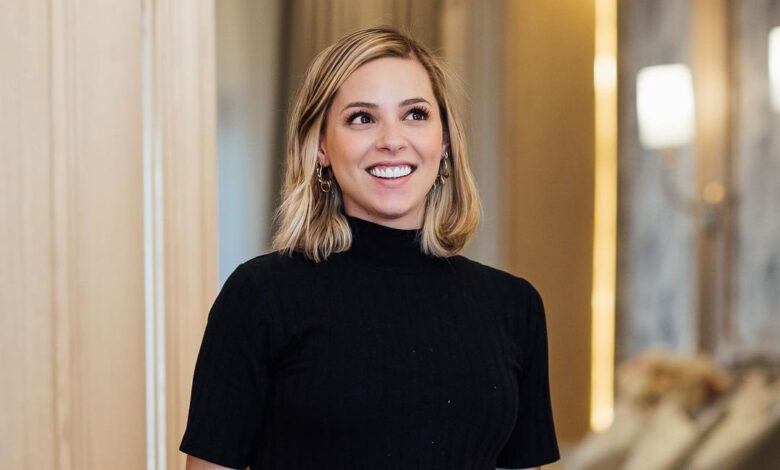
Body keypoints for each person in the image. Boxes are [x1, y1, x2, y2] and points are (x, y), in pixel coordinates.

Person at [179, 26, 560, 470]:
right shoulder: (260, 295)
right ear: (321, 146)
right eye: (362, 118)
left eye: (415, 114)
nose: (392, 140)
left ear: (444, 142)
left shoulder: (513, 307)